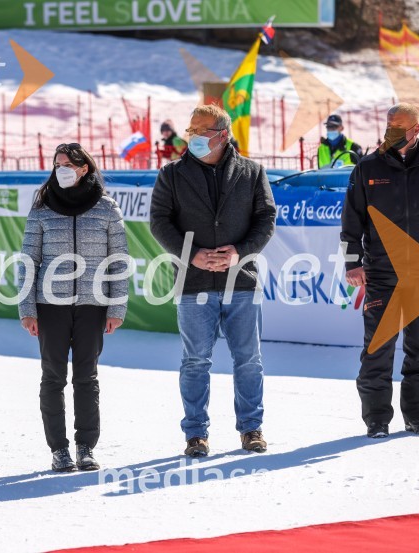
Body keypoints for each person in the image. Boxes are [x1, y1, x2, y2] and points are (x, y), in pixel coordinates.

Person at [150, 104, 276, 457]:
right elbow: (159, 221)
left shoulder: (252, 172)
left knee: (249, 359)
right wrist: (191, 253)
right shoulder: (171, 174)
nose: (192, 137)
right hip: (193, 284)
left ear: (223, 135)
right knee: (195, 361)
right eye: (190, 130)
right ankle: (195, 434)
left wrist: (240, 251)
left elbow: (266, 218)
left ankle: (251, 429)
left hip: (242, 282)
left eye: (201, 131)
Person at [341, 103, 419, 439]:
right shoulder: (367, 167)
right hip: (381, 275)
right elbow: (351, 222)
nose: (391, 131)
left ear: (416, 130)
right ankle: (377, 420)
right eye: (388, 125)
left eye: (398, 126)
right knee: (377, 350)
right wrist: (353, 263)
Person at [18, 143, 129, 472]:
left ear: (84, 169)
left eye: (67, 164)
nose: (60, 169)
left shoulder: (107, 209)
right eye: (56, 164)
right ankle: (59, 449)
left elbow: (118, 261)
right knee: (52, 377)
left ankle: (85, 446)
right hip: (49, 305)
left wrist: (116, 308)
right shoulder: (41, 208)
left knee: (86, 376)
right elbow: (28, 261)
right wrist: (27, 308)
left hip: (93, 306)